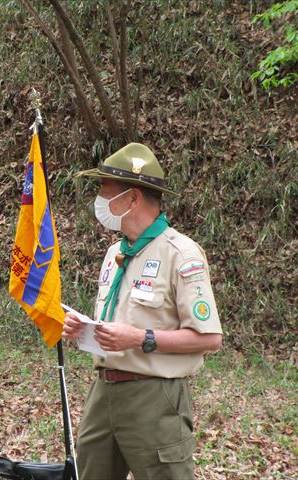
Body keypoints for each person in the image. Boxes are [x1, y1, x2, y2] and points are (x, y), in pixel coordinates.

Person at [63, 142, 223, 480]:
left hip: (154, 396)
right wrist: (84, 329)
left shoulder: (180, 254)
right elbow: (116, 323)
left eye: (105, 191)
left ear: (133, 198)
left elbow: (209, 337)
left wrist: (140, 338)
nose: (99, 201)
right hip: (103, 392)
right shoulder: (113, 253)